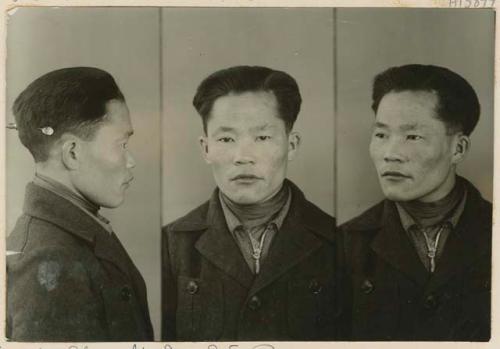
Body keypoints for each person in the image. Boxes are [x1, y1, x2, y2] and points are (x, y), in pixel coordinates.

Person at [162, 65, 339, 341]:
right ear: (205, 148)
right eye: (226, 139)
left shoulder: (338, 241)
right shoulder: (172, 245)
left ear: (291, 145)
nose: (243, 156)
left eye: (263, 137)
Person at [339, 64, 491, 341]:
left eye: (413, 136)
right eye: (381, 135)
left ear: (458, 148)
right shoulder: (345, 244)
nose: (391, 153)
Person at [6, 67, 154, 341]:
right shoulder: (49, 259)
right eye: (122, 145)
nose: (130, 160)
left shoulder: (70, 232)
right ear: (72, 153)